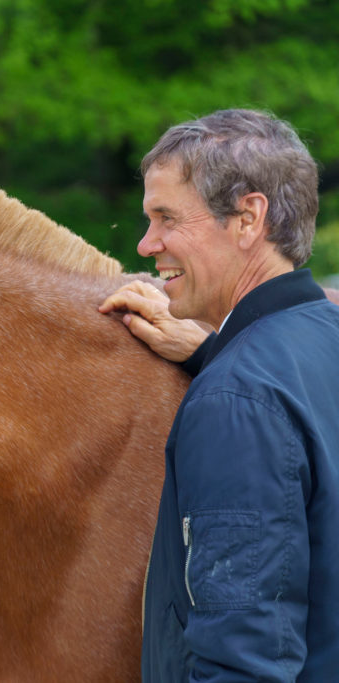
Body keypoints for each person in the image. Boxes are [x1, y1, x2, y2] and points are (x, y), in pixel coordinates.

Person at [98, 109, 339, 681]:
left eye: (166, 218)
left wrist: (228, 377)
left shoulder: (237, 399)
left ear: (248, 218)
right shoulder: (322, 339)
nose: (146, 242)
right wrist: (214, 353)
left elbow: (244, 656)